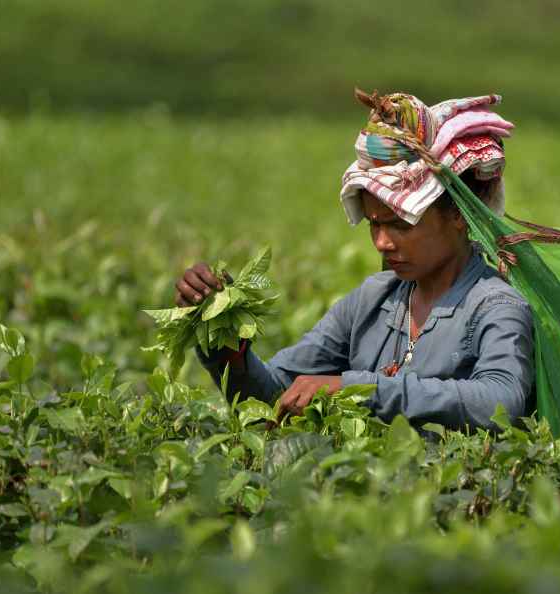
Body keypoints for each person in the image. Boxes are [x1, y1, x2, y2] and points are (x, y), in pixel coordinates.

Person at [174, 90, 534, 431]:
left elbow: (499, 402)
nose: (381, 242)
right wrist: (225, 343)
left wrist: (360, 389)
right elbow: (276, 394)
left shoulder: (495, 305)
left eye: (399, 225)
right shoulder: (373, 300)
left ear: (458, 214)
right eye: (374, 225)